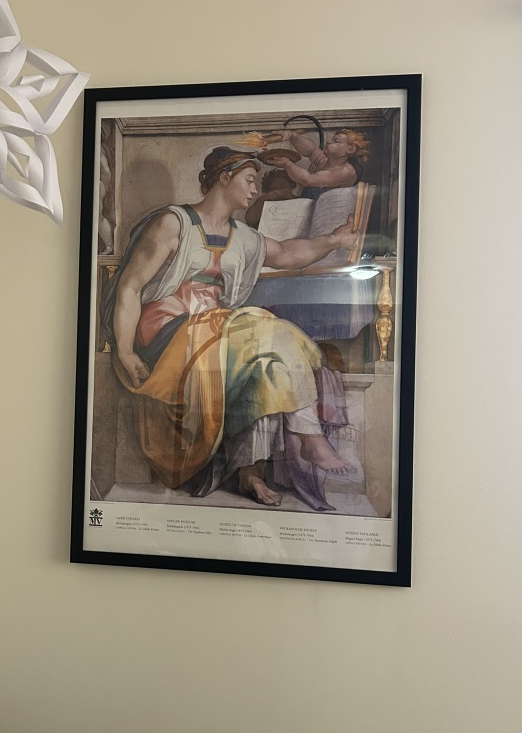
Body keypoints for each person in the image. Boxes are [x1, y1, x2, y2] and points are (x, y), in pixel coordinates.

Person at [101, 146, 357, 511]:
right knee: (269, 332)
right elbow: (130, 286)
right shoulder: (174, 223)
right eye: (249, 180)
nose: (255, 190)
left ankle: (250, 471)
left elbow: (288, 253)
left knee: (268, 362)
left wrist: (335, 240)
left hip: (216, 334)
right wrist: (126, 351)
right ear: (224, 177)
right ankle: (309, 437)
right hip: (165, 333)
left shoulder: (243, 236)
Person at [264, 127, 371, 194]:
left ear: (350, 149)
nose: (329, 141)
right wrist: (293, 136)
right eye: (331, 139)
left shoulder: (345, 172)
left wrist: (287, 164)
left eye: (336, 141)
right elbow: (311, 150)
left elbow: (308, 180)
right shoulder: (327, 161)